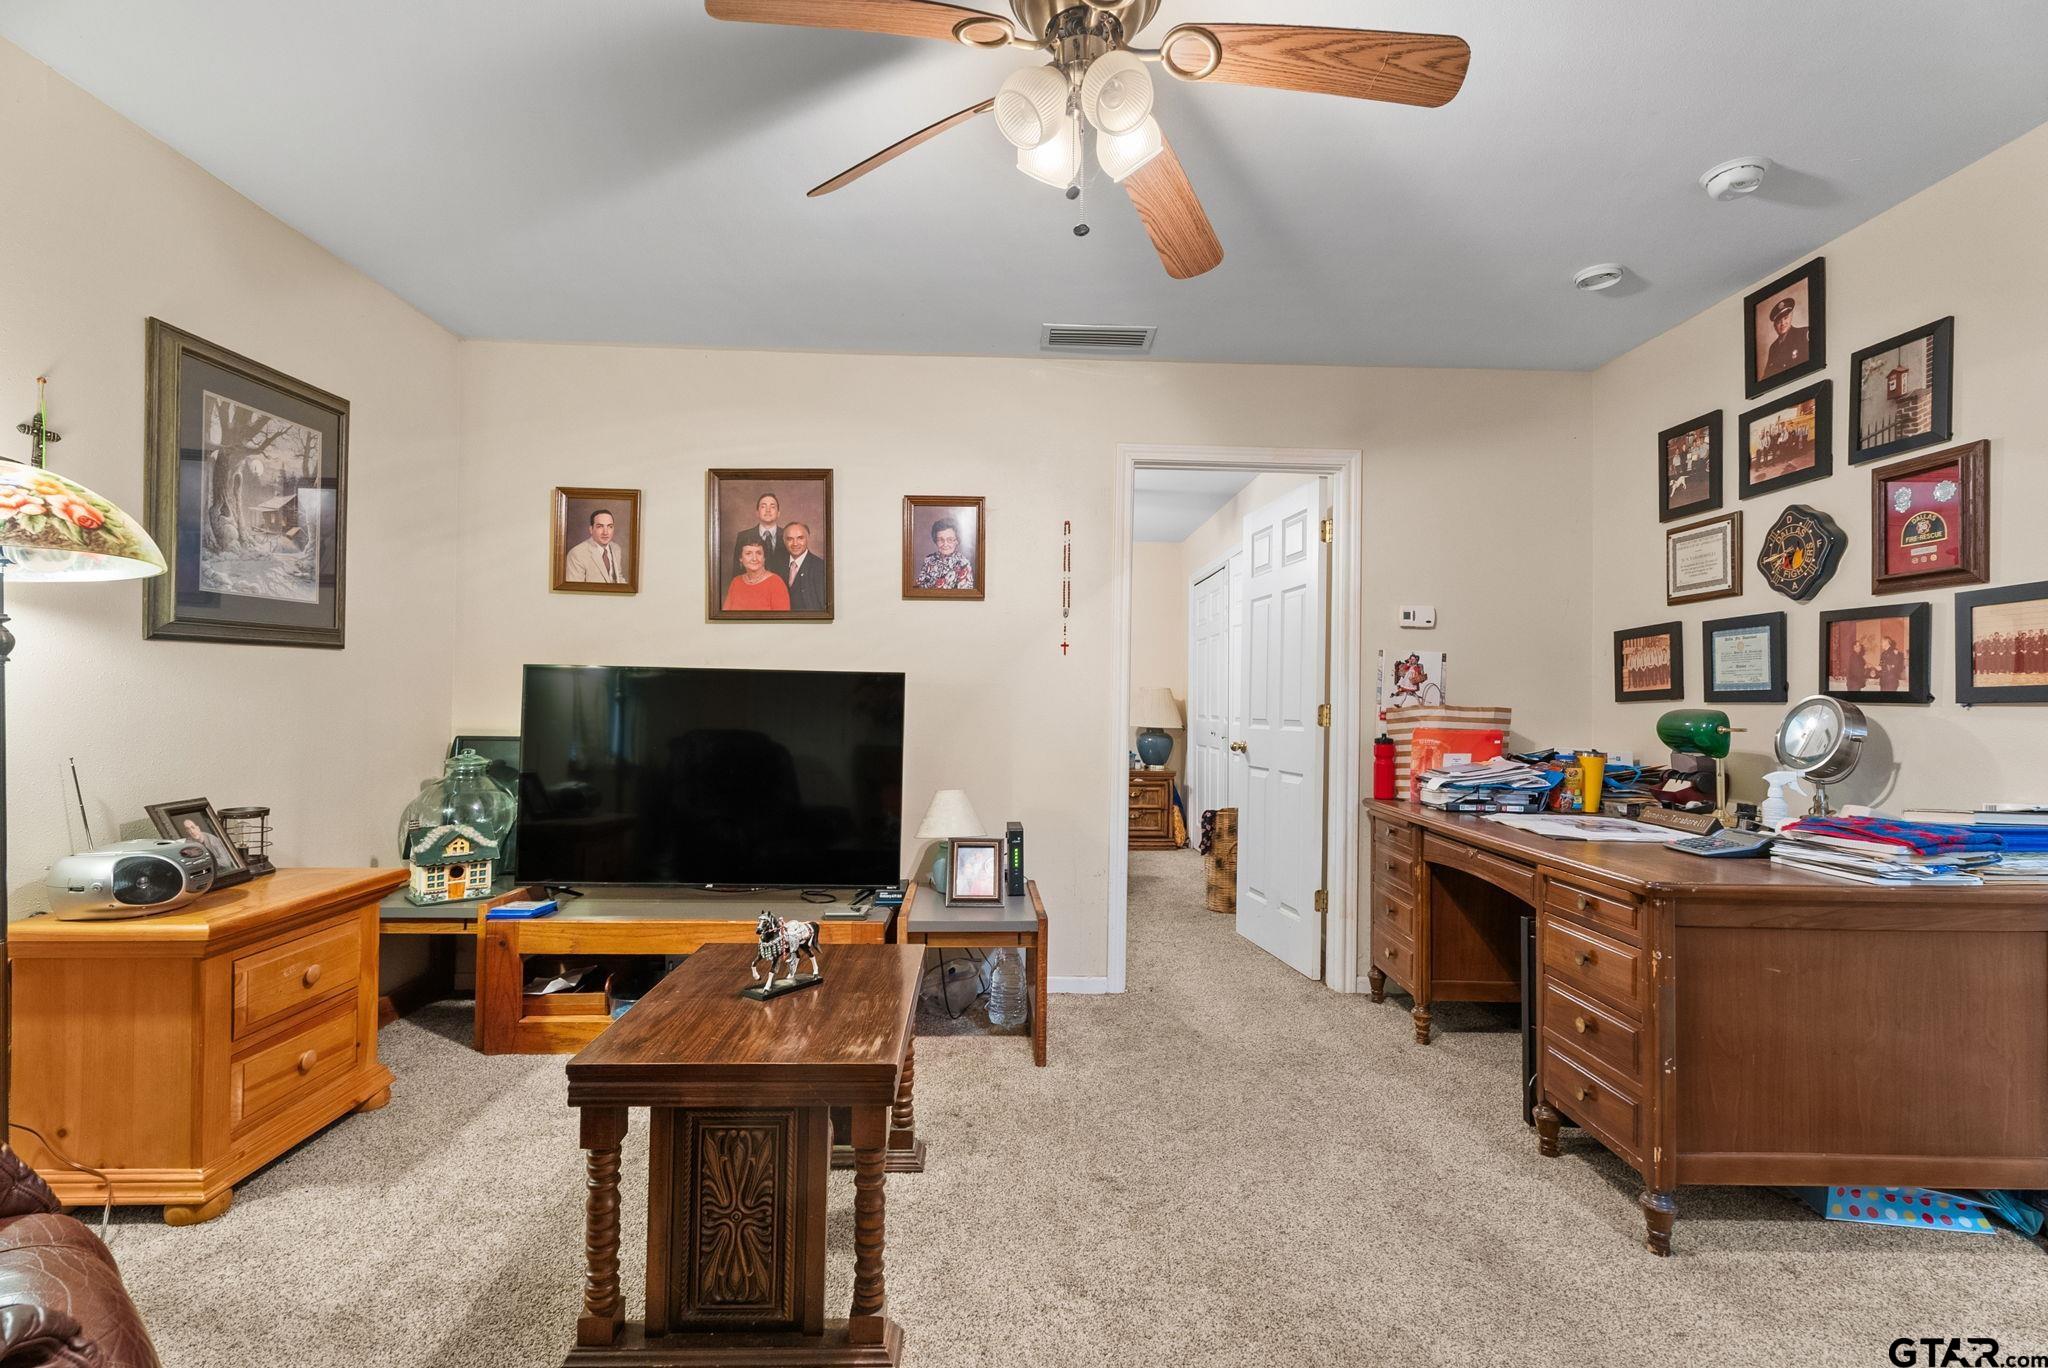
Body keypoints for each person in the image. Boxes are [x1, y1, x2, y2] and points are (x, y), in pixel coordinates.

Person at [731, 493, 790, 581]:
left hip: (782, 589)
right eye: (763, 506)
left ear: (778, 513)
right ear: (757, 513)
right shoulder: (743, 536)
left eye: (772, 507)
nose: (768, 510)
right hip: (752, 589)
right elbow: (737, 571)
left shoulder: (789, 536)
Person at [563, 508, 627, 584]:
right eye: (600, 526)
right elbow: (574, 589)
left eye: (610, 526)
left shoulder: (616, 548)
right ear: (591, 529)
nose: (605, 532)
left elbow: (618, 579)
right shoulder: (576, 554)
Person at [723, 540, 790, 612]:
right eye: (748, 553)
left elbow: (781, 621)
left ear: (764, 558)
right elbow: (725, 616)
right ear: (740, 558)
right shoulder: (736, 582)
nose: (754, 558)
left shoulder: (776, 583)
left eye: (759, 553)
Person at [914, 516, 975, 591]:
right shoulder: (929, 560)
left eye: (950, 540)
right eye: (940, 540)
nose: (945, 544)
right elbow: (920, 587)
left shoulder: (963, 564)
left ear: (957, 541)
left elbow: (964, 596)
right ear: (935, 541)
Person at [1763, 295, 1810, 380]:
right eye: (1778, 321)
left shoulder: (1803, 334)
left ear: (1791, 317)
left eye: (1786, 318)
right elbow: (1766, 379)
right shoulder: (1773, 348)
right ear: (1774, 325)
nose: (1783, 323)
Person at [784, 521, 827, 612]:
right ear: (784, 541)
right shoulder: (778, 565)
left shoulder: (821, 567)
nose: (795, 543)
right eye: (790, 539)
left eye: (800, 538)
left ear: (808, 539)